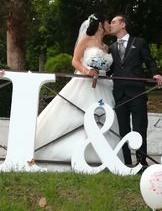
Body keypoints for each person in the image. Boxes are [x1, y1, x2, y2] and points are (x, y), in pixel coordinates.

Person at [35, 13, 123, 163]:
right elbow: (75, 61)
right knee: (79, 115)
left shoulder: (106, 47)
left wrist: (101, 71)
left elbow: (108, 67)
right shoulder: (86, 40)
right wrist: (87, 71)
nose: (110, 25)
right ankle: (67, 153)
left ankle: (102, 157)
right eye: (108, 22)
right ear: (101, 24)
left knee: (102, 117)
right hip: (85, 83)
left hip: (103, 85)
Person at [108, 14, 162, 167]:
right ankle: (127, 164)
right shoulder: (111, 48)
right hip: (119, 94)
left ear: (122, 24)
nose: (110, 25)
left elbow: (149, 60)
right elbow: (111, 69)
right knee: (123, 131)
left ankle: (141, 163)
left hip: (137, 93)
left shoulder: (139, 42)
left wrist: (156, 73)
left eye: (113, 22)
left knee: (140, 129)